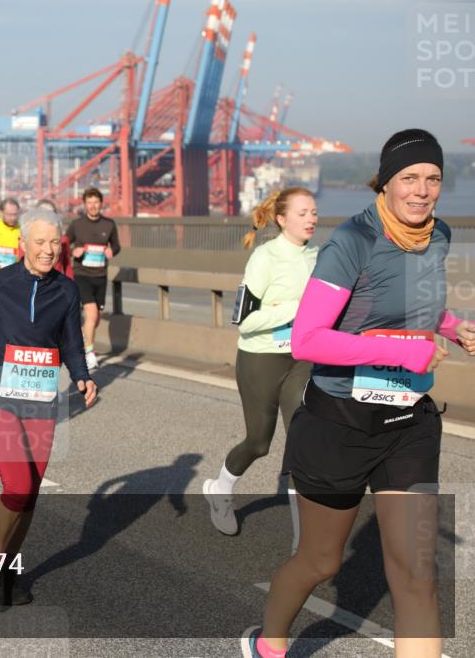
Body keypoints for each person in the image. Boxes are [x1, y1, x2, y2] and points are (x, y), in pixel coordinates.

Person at [243, 129, 475, 658]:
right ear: (386, 182)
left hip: (408, 423)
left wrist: (452, 326)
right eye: (409, 178)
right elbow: (307, 338)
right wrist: (399, 353)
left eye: (433, 179)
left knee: (416, 574)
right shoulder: (352, 241)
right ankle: (268, 642)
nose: (422, 190)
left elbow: (407, 310)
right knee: (321, 562)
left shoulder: (438, 237)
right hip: (339, 424)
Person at [0, 206, 98, 610]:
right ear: (23, 245)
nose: (48, 250)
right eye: (40, 242)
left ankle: (12, 568)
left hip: (42, 400)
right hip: (0, 397)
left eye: (55, 242)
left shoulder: (67, 290)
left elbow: (70, 341)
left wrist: (83, 375)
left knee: (31, 492)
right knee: (16, 486)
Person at [203, 188, 318, 537]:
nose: (312, 218)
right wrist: (298, 308)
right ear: (282, 219)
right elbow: (244, 319)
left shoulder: (318, 255)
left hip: (302, 360)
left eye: (314, 212)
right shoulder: (265, 258)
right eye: (303, 213)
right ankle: (220, 490)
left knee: (304, 442)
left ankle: (304, 541)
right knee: (259, 443)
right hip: (260, 359)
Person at [65, 187, 120, 370]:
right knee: (92, 314)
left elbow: (117, 246)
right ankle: (89, 354)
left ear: (101, 204)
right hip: (82, 275)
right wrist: (74, 251)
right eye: (89, 203)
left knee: (96, 318)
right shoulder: (77, 225)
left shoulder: (109, 224)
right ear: (85, 204)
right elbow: (65, 244)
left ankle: (79, 343)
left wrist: (112, 251)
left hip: (101, 276)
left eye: (96, 202)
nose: (93, 206)